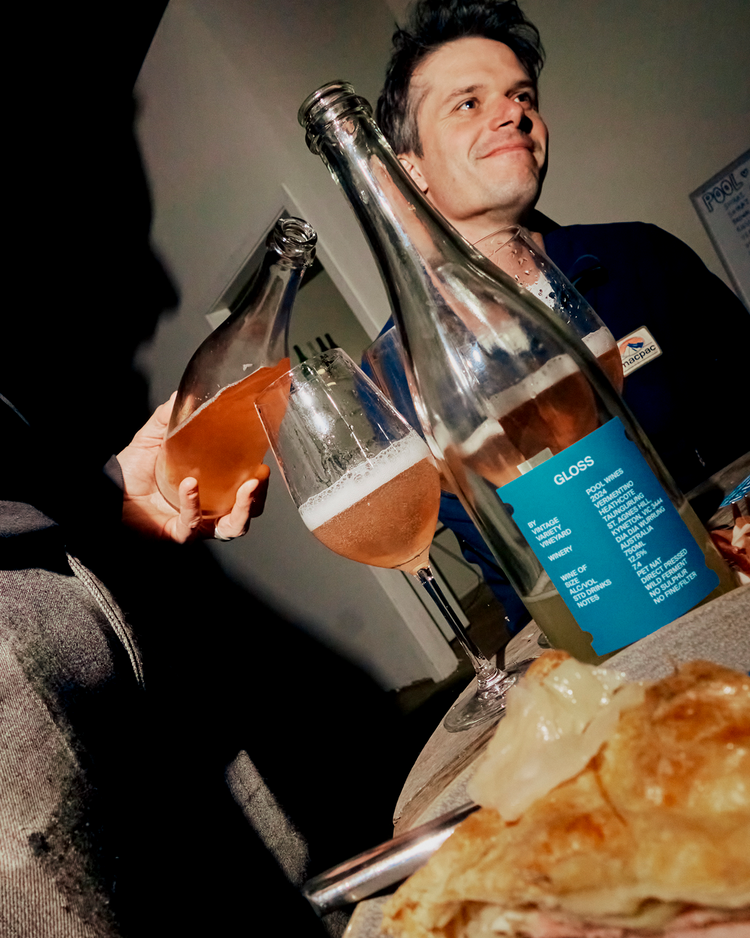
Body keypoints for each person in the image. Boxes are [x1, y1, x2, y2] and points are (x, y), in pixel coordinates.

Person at [371, 0, 750, 633]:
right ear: (410, 172)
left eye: (522, 96)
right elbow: (512, 580)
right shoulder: (402, 379)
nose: (513, 113)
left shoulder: (642, 257)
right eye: (468, 103)